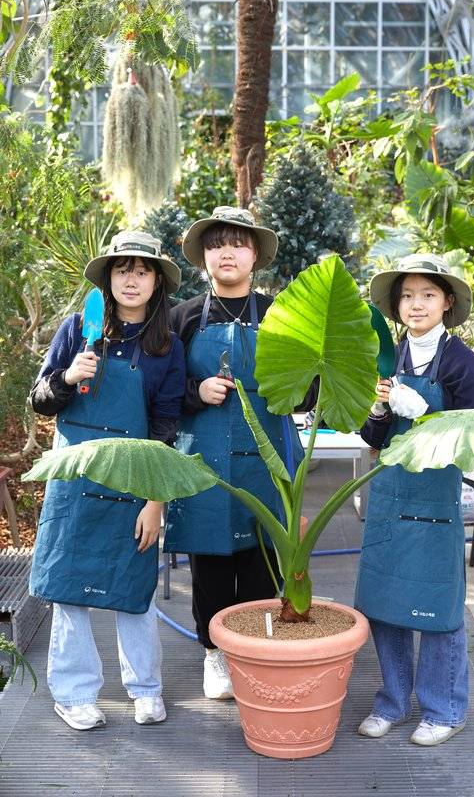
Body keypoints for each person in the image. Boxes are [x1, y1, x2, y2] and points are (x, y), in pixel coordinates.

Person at [30, 231, 185, 731]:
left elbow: (166, 429)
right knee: (69, 589)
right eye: (122, 269)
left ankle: (145, 689)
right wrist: (68, 377)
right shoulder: (78, 329)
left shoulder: (167, 347)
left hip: (134, 481)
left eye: (142, 270)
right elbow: (40, 400)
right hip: (74, 478)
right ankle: (74, 694)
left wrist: (155, 501)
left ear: (157, 281)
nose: (132, 279)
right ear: (108, 279)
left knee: (132, 587)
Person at [164, 206, 309, 700]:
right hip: (203, 462)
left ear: (255, 256)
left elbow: (309, 393)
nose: (227, 252)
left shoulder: (279, 317)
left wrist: (288, 387)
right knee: (209, 565)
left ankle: (254, 652)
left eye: (238, 243)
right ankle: (214, 655)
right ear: (204, 256)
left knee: (260, 560)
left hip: (267, 460)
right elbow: (161, 391)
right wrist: (194, 391)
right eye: (216, 243)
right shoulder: (181, 318)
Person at [355, 253, 474, 747]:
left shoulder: (463, 364)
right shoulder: (389, 356)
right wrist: (379, 406)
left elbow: (473, 442)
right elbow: (371, 436)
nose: (416, 304)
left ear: (446, 302)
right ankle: (392, 701)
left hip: (434, 503)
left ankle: (444, 709)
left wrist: (424, 413)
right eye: (407, 296)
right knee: (384, 604)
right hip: (390, 497)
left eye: (427, 295)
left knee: (438, 610)